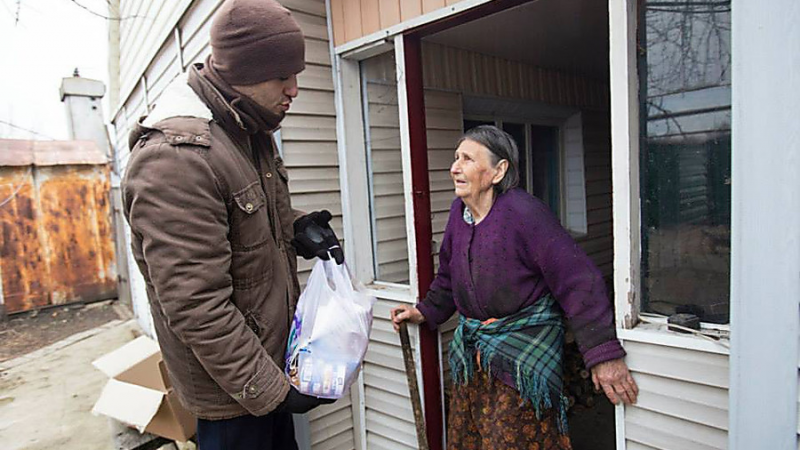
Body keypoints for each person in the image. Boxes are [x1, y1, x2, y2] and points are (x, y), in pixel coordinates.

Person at [122, 1, 343, 448]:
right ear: (245, 71)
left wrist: (295, 227)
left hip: (265, 369)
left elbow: (237, 220)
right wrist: (272, 390)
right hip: (234, 396)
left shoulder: (247, 130)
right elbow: (196, 306)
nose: (294, 89)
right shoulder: (178, 159)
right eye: (283, 76)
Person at [391, 125, 638, 449]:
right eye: (456, 158)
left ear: (498, 171)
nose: (455, 167)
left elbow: (578, 279)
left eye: (467, 159)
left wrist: (602, 353)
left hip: (521, 356)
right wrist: (424, 311)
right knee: (472, 438)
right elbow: (450, 276)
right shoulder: (459, 214)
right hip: (477, 354)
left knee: (517, 440)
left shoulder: (524, 213)